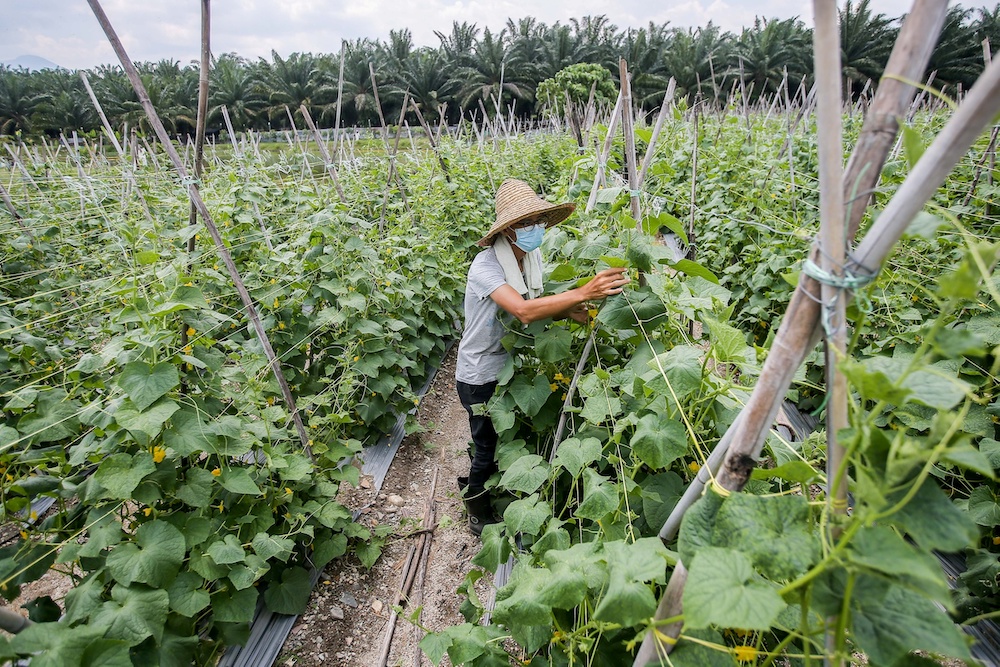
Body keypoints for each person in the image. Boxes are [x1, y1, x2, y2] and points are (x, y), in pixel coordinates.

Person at [455, 178, 630, 536]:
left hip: (504, 367)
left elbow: (539, 304)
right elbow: (522, 310)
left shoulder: (529, 258)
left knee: (491, 438)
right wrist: (582, 290)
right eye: (522, 223)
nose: (532, 228)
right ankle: (475, 507)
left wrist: (572, 311)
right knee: (487, 444)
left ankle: (483, 479)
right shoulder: (485, 266)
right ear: (506, 229)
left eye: (536, 221)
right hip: (478, 373)